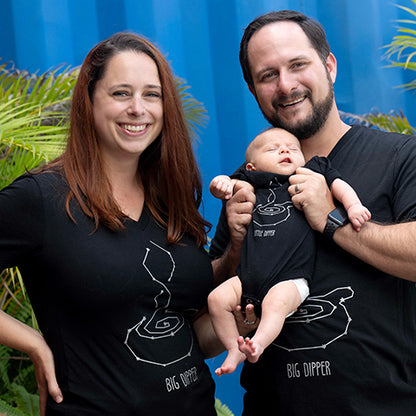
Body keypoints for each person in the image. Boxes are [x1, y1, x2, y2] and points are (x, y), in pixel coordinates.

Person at [0, 32, 225, 416]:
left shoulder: (170, 197)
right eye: (121, 93)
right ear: (88, 101)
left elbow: (191, 334)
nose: (138, 108)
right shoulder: (43, 198)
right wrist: (33, 341)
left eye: (152, 95)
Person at [209, 9, 416, 415]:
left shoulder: (398, 155)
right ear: (254, 90)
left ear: (329, 66)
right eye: (268, 75)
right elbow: (208, 318)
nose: (285, 85)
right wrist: (234, 250)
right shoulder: (253, 182)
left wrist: (332, 221)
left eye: (297, 65)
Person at [208, 127, 370, 376]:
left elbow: (339, 185)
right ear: (251, 167)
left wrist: (354, 205)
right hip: (249, 276)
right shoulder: (250, 180)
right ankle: (233, 347)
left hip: (291, 277)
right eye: (273, 149)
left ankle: (258, 343)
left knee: (276, 305)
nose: (285, 150)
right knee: (216, 300)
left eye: (293, 149)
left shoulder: (311, 171)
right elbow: (227, 185)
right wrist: (221, 185)